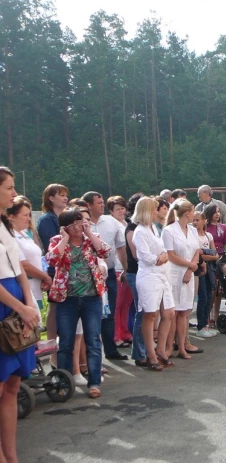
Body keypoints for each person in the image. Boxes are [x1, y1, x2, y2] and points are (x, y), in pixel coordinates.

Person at [47, 208, 111, 399]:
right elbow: (51, 260)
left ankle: (94, 382)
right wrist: (64, 239)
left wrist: (90, 233)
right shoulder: (57, 241)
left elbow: (105, 251)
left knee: (92, 340)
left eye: (80, 223)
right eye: (72, 224)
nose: (77, 228)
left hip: (91, 297)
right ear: (65, 227)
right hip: (67, 299)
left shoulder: (91, 238)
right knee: (65, 342)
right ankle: (64, 382)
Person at [0, 167, 41, 463]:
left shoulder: (5, 225)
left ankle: (12, 456)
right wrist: (20, 307)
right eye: (10, 188)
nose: (15, 194)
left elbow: (19, 268)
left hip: (17, 302)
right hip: (6, 304)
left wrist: (29, 304)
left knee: (13, 383)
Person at [82, 191, 129, 361]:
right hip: (86, 277)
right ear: (88, 205)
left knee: (109, 313)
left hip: (108, 274)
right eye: (98, 203)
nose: (102, 205)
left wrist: (125, 269)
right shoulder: (79, 223)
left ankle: (110, 350)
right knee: (91, 316)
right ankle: (90, 357)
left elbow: (121, 248)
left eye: (103, 202)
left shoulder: (111, 222)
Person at [132, 197, 175, 370]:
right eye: (155, 208)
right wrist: (160, 258)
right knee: (150, 315)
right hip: (149, 276)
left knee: (169, 313)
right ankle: (150, 354)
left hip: (161, 275)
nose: (158, 211)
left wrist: (162, 255)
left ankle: (161, 349)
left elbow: (161, 248)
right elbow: (144, 256)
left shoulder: (153, 229)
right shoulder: (140, 231)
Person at [162, 199, 201, 360]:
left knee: (185, 311)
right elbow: (170, 255)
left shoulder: (192, 230)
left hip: (188, 273)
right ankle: (169, 347)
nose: (194, 215)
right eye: (193, 211)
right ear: (187, 213)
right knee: (174, 312)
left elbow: (197, 250)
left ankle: (182, 346)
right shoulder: (169, 230)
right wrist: (190, 265)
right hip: (174, 273)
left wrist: (191, 268)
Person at [37, 183, 68, 367]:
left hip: (66, 270)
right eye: (61, 195)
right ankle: (52, 351)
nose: (65, 198)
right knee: (55, 310)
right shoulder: (47, 219)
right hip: (54, 269)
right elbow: (52, 246)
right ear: (51, 198)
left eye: (66, 195)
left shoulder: (64, 217)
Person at [7, 196, 52, 308]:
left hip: (36, 291)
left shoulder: (24, 234)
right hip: (24, 292)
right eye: (25, 215)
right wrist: (46, 277)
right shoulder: (11, 236)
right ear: (12, 217)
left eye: (29, 214)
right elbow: (23, 265)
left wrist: (44, 275)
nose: (28, 218)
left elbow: (39, 258)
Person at [124, 193, 149, 367]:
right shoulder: (132, 228)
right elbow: (136, 255)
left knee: (148, 312)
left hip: (147, 272)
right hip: (137, 272)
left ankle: (146, 349)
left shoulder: (145, 227)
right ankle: (139, 352)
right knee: (142, 312)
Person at [107, 195, 133, 347]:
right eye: (118, 209)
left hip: (127, 267)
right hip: (117, 268)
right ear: (111, 211)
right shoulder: (112, 225)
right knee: (117, 304)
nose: (121, 211)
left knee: (126, 304)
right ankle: (116, 335)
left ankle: (124, 332)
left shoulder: (126, 223)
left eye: (123, 208)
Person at [204, 204, 226, 329]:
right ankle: (207, 316)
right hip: (210, 259)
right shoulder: (205, 227)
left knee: (220, 290)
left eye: (219, 212)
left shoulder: (223, 228)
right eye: (215, 212)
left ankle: (216, 315)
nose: (217, 214)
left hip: (222, 258)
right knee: (212, 290)